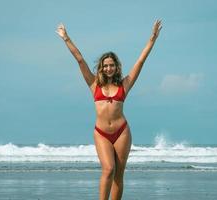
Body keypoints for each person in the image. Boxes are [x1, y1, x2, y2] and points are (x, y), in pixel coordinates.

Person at [56, 20, 162, 200]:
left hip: (122, 132)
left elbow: (141, 60)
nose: (108, 68)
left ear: (116, 67)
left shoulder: (124, 85)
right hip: (101, 133)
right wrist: (66, 38)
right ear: (102, 68)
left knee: (119, 177)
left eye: (111, 65)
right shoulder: (93, 84)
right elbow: (80, 59)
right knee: (108, 169)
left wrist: (152, 38)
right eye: (105, 65)